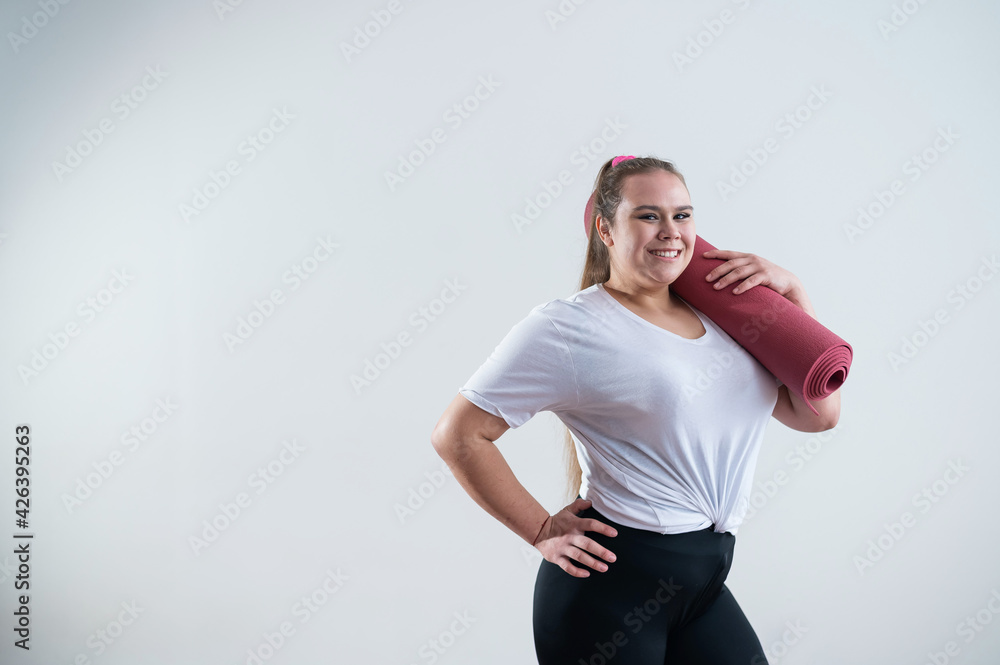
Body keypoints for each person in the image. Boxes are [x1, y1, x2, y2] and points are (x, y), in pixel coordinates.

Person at [430, 155, 840, 664]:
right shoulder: (568, 328)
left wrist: (794, 298)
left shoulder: (725, 317)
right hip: (610, 588)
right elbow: (459, 435)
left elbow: (818, 415)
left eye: (683, 215)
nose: (671, 232)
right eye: (648, 216)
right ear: (605, 228)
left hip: (705, 581)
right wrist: (540, 531)